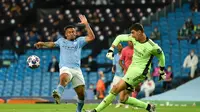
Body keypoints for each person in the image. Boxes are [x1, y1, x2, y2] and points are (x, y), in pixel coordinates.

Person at [86, 23, 166, 112]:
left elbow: (161, 56)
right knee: (123, 98)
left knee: (115, 88)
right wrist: (111, 49)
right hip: (132, 70)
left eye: (133, 32)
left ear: (139, 32)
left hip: (140, 72)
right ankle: (149, 107)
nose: (131, 35)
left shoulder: (152, 46)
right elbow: (119, 37)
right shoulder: (134, 39)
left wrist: (161, 71)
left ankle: (95, 111)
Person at [34, 14, 95, 112]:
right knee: (64, 76)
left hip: (77, 70)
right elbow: (52, 44)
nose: (72, 33)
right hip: (65, 67)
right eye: (69, 32)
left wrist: (86, 24)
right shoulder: (61, 41)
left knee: (81, 95)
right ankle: (58, 92)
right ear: (66, 34)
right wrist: (42, 44)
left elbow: (91, 37)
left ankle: (78, 110)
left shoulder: (79, 41)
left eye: (73, 32)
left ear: (76, 33)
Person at [116, 41, 134, 108]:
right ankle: (123, 102)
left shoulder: (137, 49)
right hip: (125, 74)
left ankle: (129, 103)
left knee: (131, 89)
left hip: (134, 73)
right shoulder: (125, 50)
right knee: (125, 89)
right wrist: (125, 68)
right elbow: (120, 61)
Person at [110, 43, 124, 108]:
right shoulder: (115, 56)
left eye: (120, 46)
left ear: (122, 47)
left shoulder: (124, 55)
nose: (118, 47)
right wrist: (113, 69)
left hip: (124, 75)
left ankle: (122, 103)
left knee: (123, 90)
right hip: (117, 75)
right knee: (113, 87)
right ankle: (110, 101)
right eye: (117, 46)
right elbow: (114, 65)